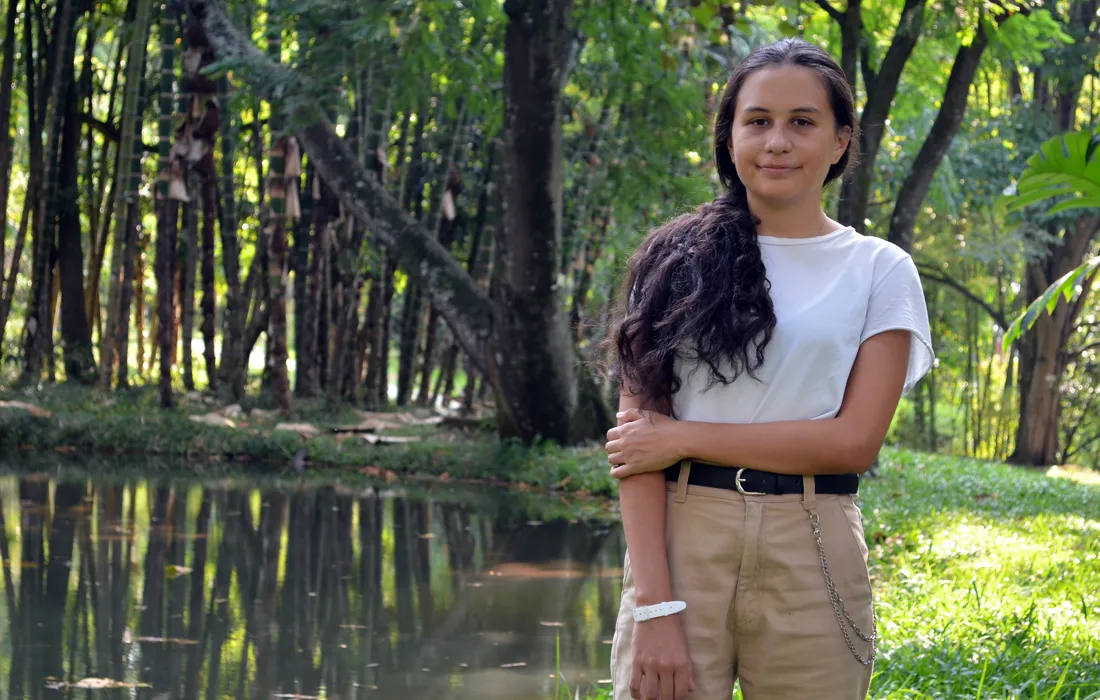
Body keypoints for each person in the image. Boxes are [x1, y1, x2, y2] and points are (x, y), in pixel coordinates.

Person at [602, 38, 934, 700]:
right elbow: (637, 454)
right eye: (757, 121)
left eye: (801, 122)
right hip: (682, 534)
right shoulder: (674, 260)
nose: (776, 141)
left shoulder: (879, 269)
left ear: (840, 140)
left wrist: (685, 438)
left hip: (814, 541)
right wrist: (657, 609)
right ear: (729, 138)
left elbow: (853, 441)